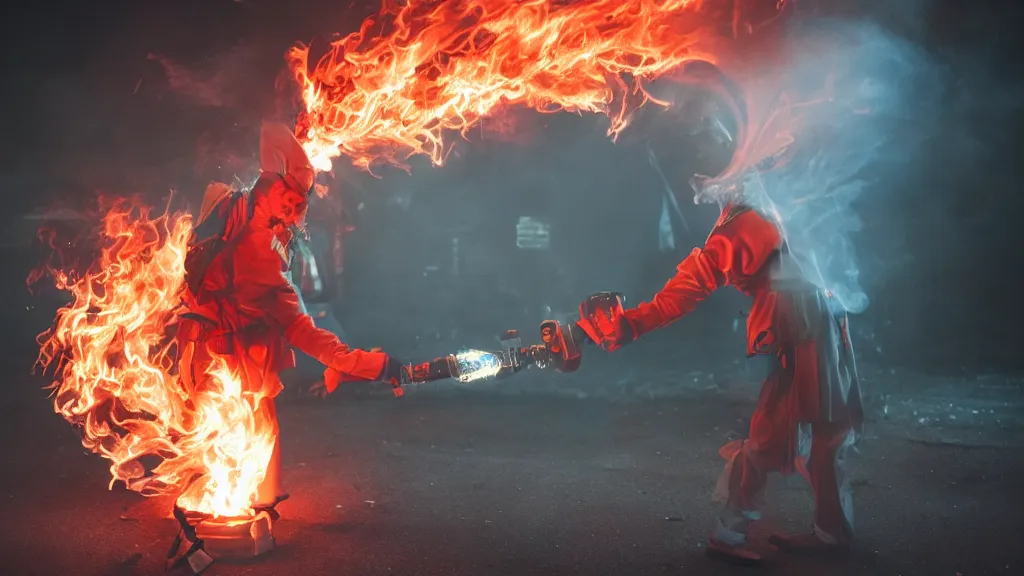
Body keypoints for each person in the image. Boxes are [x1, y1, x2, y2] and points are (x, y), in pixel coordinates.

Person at [576, 193, 864, 565]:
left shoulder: (772, 194)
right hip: (797, 332)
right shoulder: (736, 227)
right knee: (771, 436)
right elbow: (682, 295)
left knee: (829, 432)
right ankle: (729, 533)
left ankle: (830, 532)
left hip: (822, 325)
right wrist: (629, 325)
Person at [176, 121, 407, 515]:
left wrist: (368, 364)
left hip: (233, 350)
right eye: (290, 198)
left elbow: (300, 327)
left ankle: (256, 500)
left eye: (299, 202)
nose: (295, 208)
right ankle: (219, 498)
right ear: (271, 187)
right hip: (211, 347)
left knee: (255, 414)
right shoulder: (232, 213)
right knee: (214, 419)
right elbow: (194, 263)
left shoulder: (258, 235)